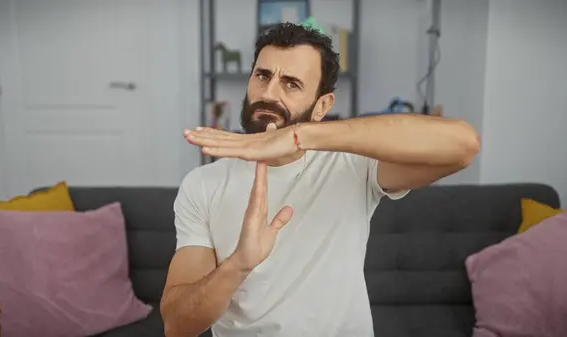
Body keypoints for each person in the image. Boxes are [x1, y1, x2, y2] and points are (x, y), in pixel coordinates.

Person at [160, 23, 480, 337]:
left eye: (291, 84)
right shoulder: (203, 184)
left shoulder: (353, 165)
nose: (269, 93)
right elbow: (177, 325)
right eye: (262, 75)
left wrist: (300, 136)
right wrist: (237, 266)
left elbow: (463, 146)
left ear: (322, 107)